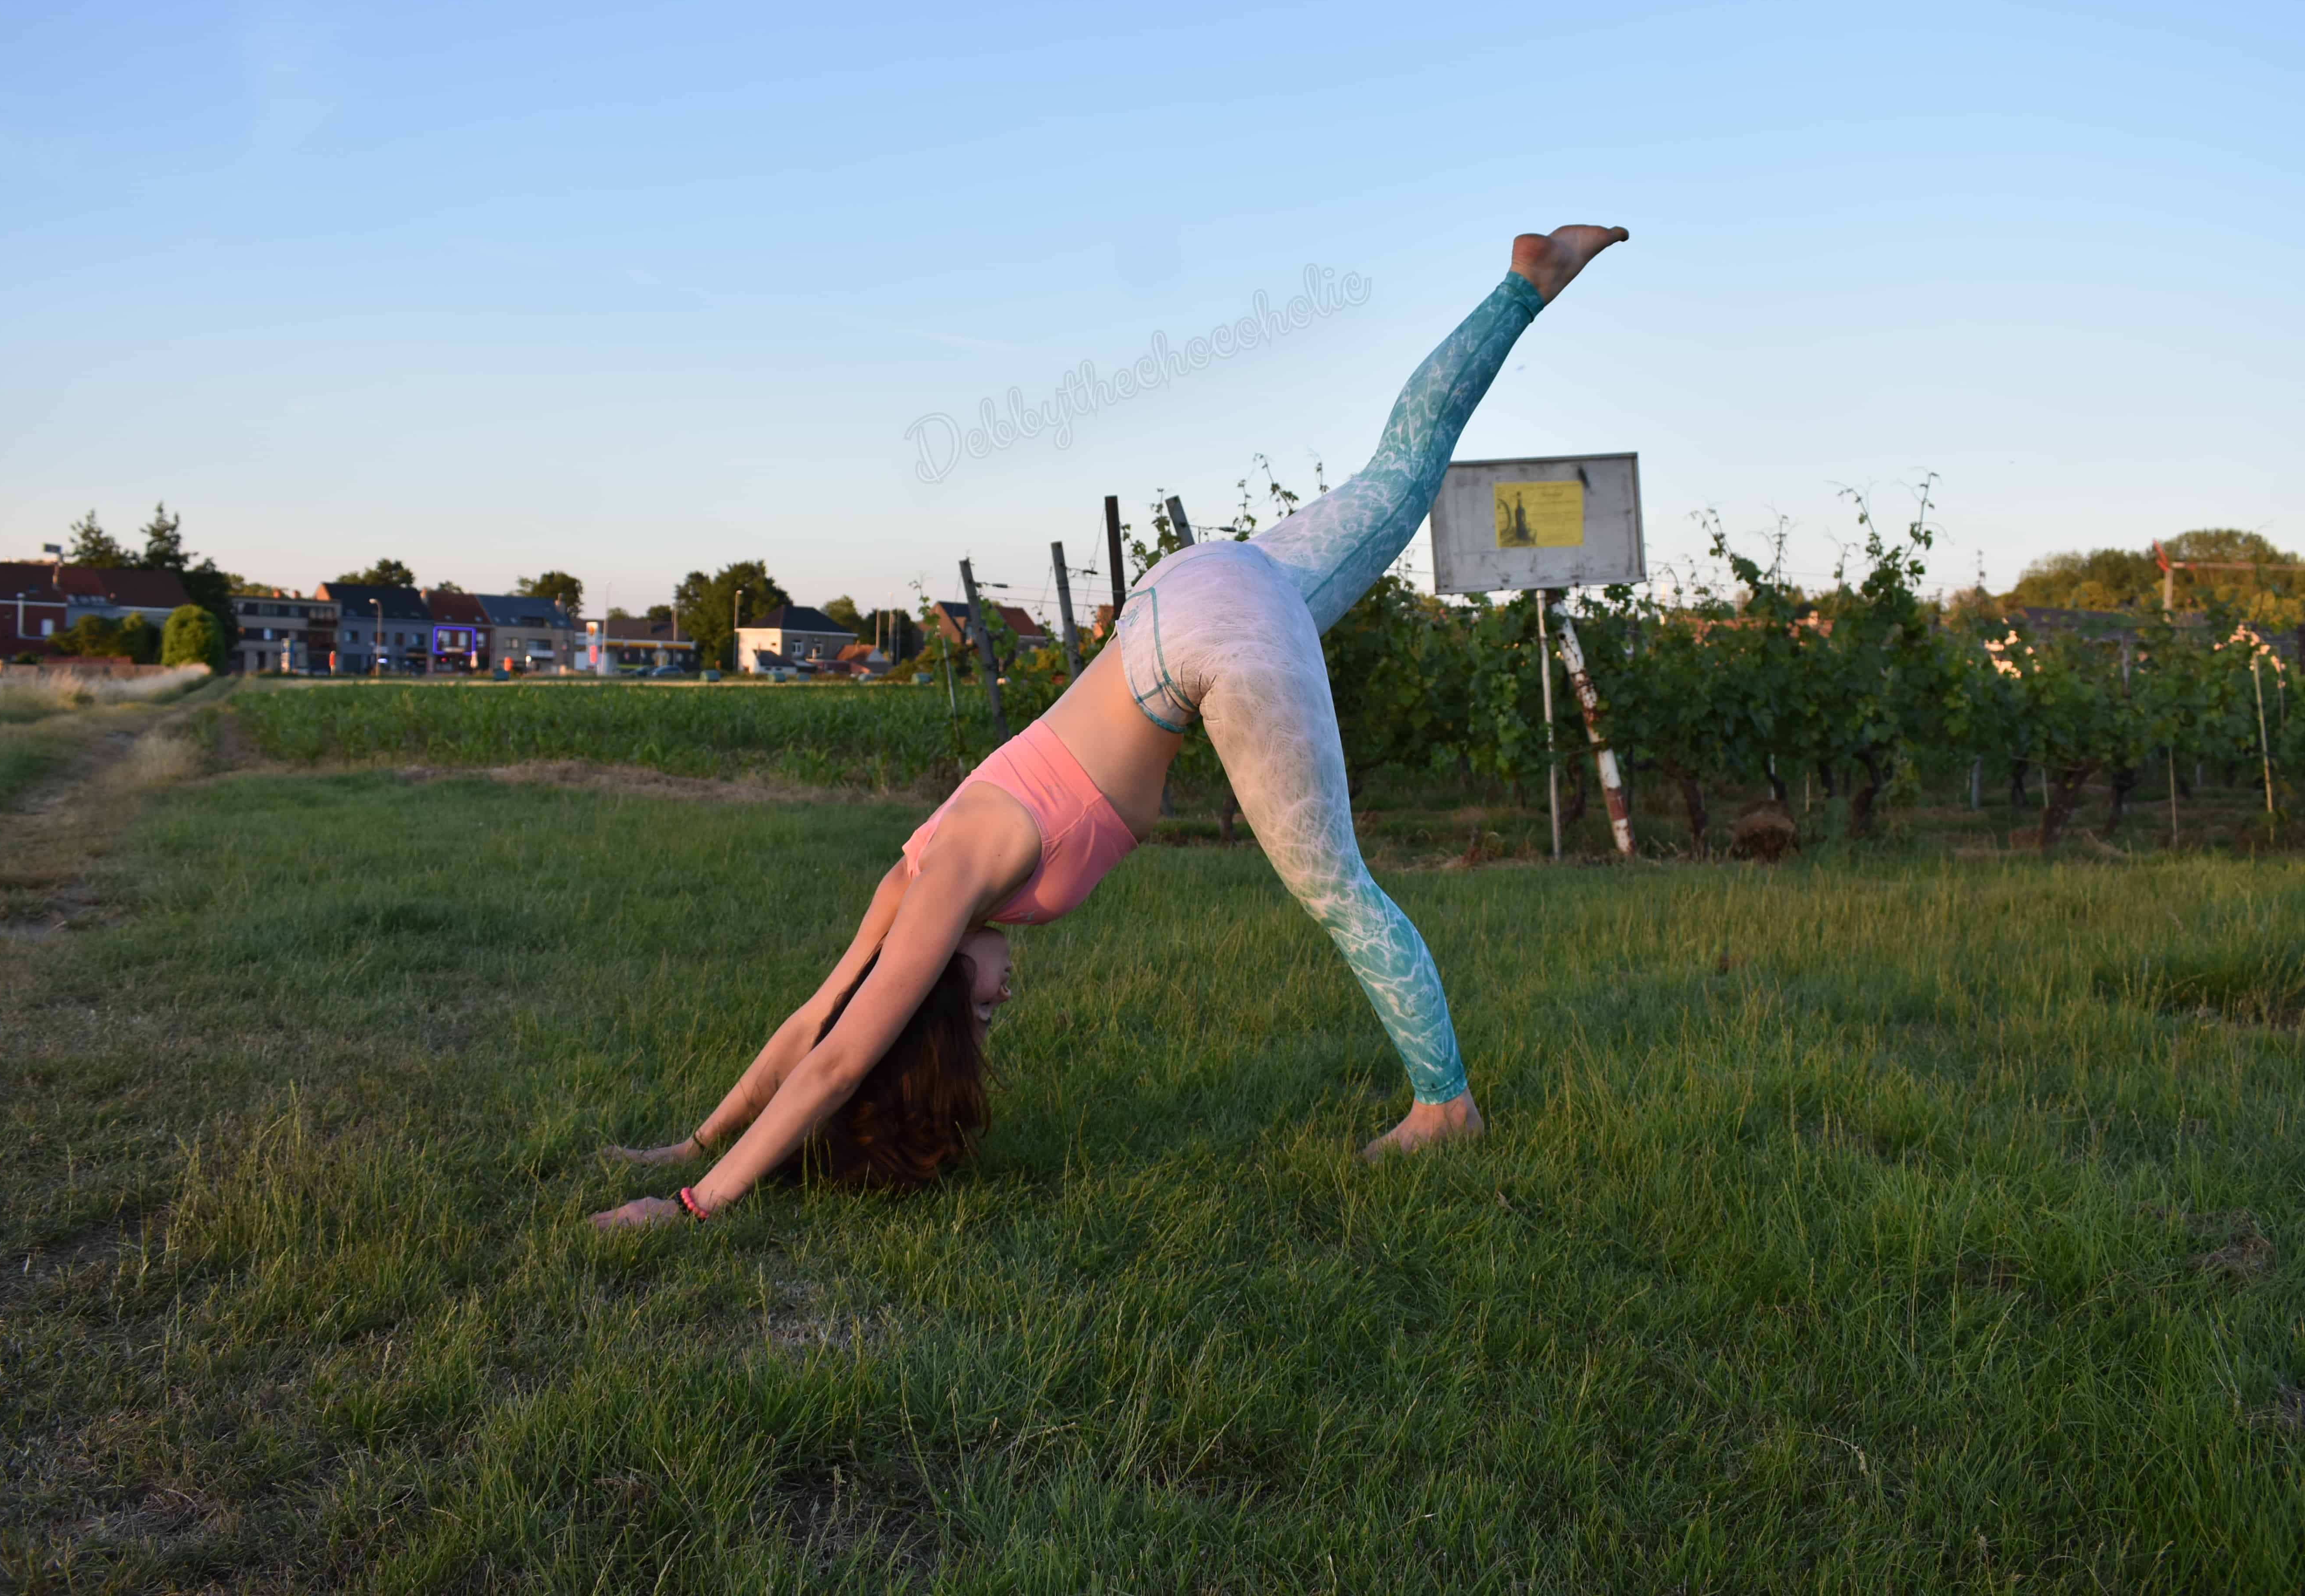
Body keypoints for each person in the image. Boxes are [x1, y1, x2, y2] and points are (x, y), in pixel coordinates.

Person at [593, 222, 1628, 1228]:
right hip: (1184, 596)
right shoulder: (908, 877)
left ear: (944, 980)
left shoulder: (946, 884)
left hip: (1203, 644)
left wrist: (692, 1204)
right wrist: (691, 1140)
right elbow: (815, 1019)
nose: (1002, 1001)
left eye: (984, 1009)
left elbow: (841, 1057)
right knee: (1393, 485)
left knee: (1340, 887)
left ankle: (1446, 1106)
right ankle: (1524, 286)